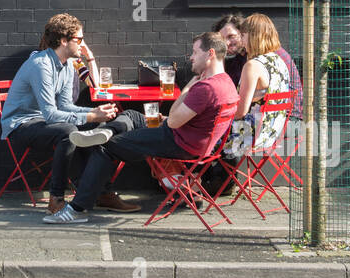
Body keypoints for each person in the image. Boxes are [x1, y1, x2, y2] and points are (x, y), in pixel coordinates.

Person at [44, 31, 239, 224]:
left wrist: (187, 88)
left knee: (106, 148)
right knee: (132, 115)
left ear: (210, 53)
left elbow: (173, 122)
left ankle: (76, 209)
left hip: (180, 141)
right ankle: (104, 131)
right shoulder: (226, 82)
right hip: (195, 141)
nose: (191, 57)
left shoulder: (205, 87)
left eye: (196, 52)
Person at [0, 13, 142, 213]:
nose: (82, 45)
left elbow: (66, 106)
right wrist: (90, 116)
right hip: (21, 125)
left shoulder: (67, 65)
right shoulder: (41, 65)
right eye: (79, 39)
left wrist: (95, 112)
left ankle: (101, 192)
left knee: (99, 126)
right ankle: (56, 198)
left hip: (42, 121)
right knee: (68, 131)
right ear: (63, 41)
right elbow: (50, 114)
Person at [229, 13, 293, 160]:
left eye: (243, 35)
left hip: (250, 137)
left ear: (252, 37)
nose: (241, 41)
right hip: (273, 133)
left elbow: (240, 112)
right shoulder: (279, 60)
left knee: (205, 130)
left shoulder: (252, 65)